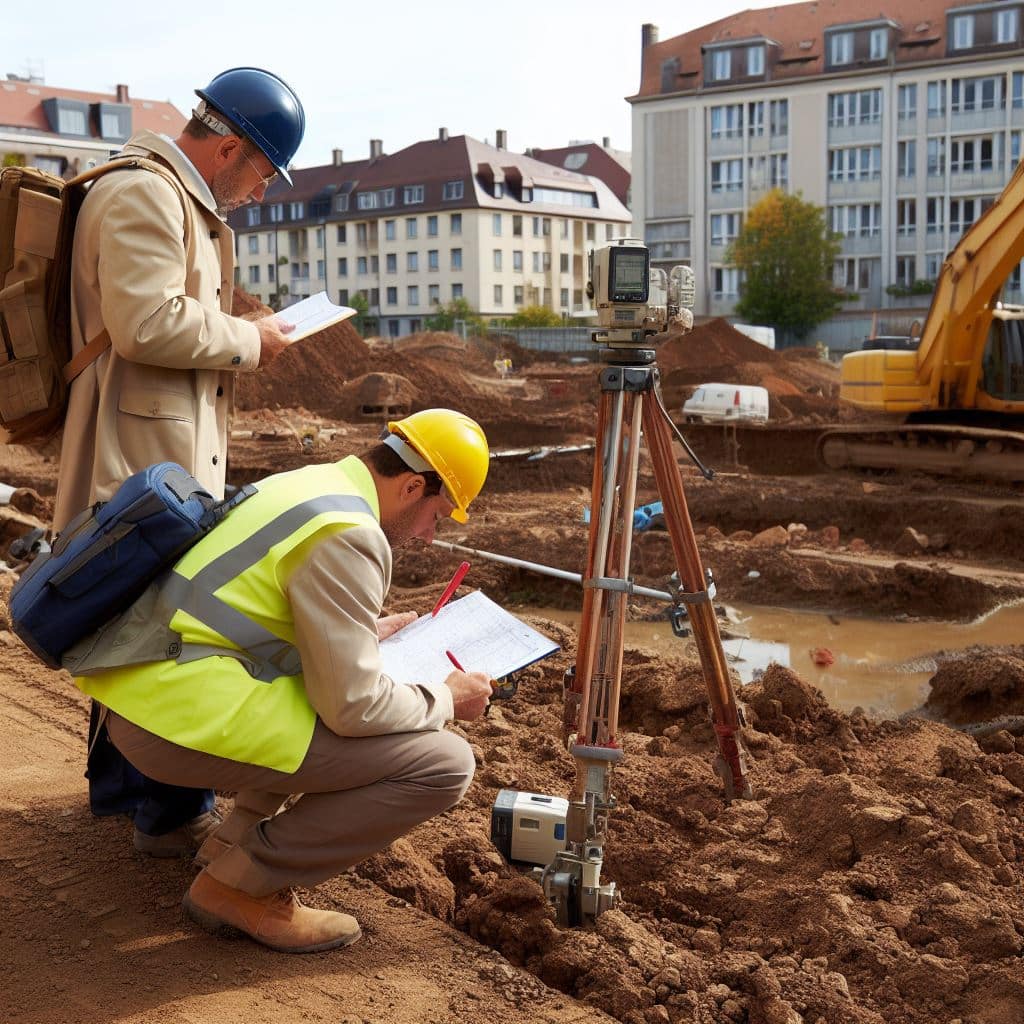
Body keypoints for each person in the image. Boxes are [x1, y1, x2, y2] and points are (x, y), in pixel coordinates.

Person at [71, 410, 495, 953]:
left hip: (142, 698)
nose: (428, 536)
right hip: (171, 724)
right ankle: (238, 886)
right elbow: (353, 708)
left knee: (321, 695)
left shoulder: (311, 484)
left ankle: (228, 840)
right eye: (436, 515)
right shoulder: (352, 535)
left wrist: (367, 634)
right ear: (412, 485)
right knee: (444, 763)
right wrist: (446, 697)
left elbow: (255, 612)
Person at [54, 67, 306, 858]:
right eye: (264, 171)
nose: (261, 192)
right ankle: (164, 814)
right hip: (137, 456)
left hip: (155, 452)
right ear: (231, 146)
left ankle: (126, 797)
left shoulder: (171, 196)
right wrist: (251, 340)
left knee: (132, 622)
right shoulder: (145, 193)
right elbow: (146, 324)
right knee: (163, 630)